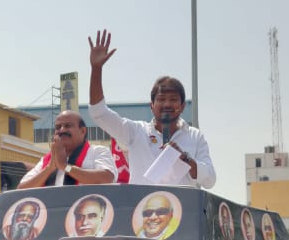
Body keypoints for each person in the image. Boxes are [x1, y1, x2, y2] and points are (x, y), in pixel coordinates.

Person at [87, 29, 216, 188]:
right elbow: (99, 113)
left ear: (182, 106)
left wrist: (185, 159)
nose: (167, 105)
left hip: (183, 210)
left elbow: (210, 180)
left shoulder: (195, 137)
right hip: (141, 210)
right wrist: (96, 69)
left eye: (173, 100)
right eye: (161, 100)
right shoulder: (135, 132)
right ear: (152, 106)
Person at [19, 110, 116, 189]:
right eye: (58, 127)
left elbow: (106, 178)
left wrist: (65, 167)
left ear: (83, 131)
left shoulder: (98, 151)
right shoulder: (47, 160)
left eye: (68, 126)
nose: (62, 130)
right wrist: (49, 169)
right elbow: (21, 189)